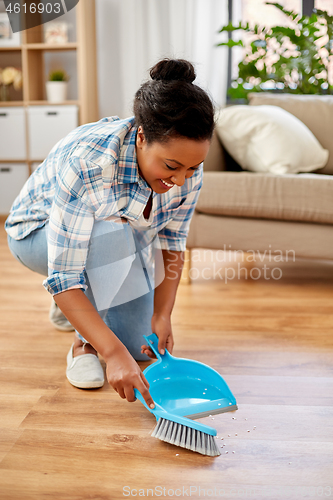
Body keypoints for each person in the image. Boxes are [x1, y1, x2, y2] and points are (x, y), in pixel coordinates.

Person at [5, 58, 215, 410]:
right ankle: (82, 344)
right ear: (142, 136)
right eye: (171, 167)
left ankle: (81, 307)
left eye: (192, 168)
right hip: (37, 236)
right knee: (109, 229)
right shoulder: (91, 165)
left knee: (139, 345)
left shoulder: (187, 170)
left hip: (112, 240)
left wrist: (163, 316)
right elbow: (64, 274)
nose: (180, 180)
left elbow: (172, 243)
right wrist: (111, 353)